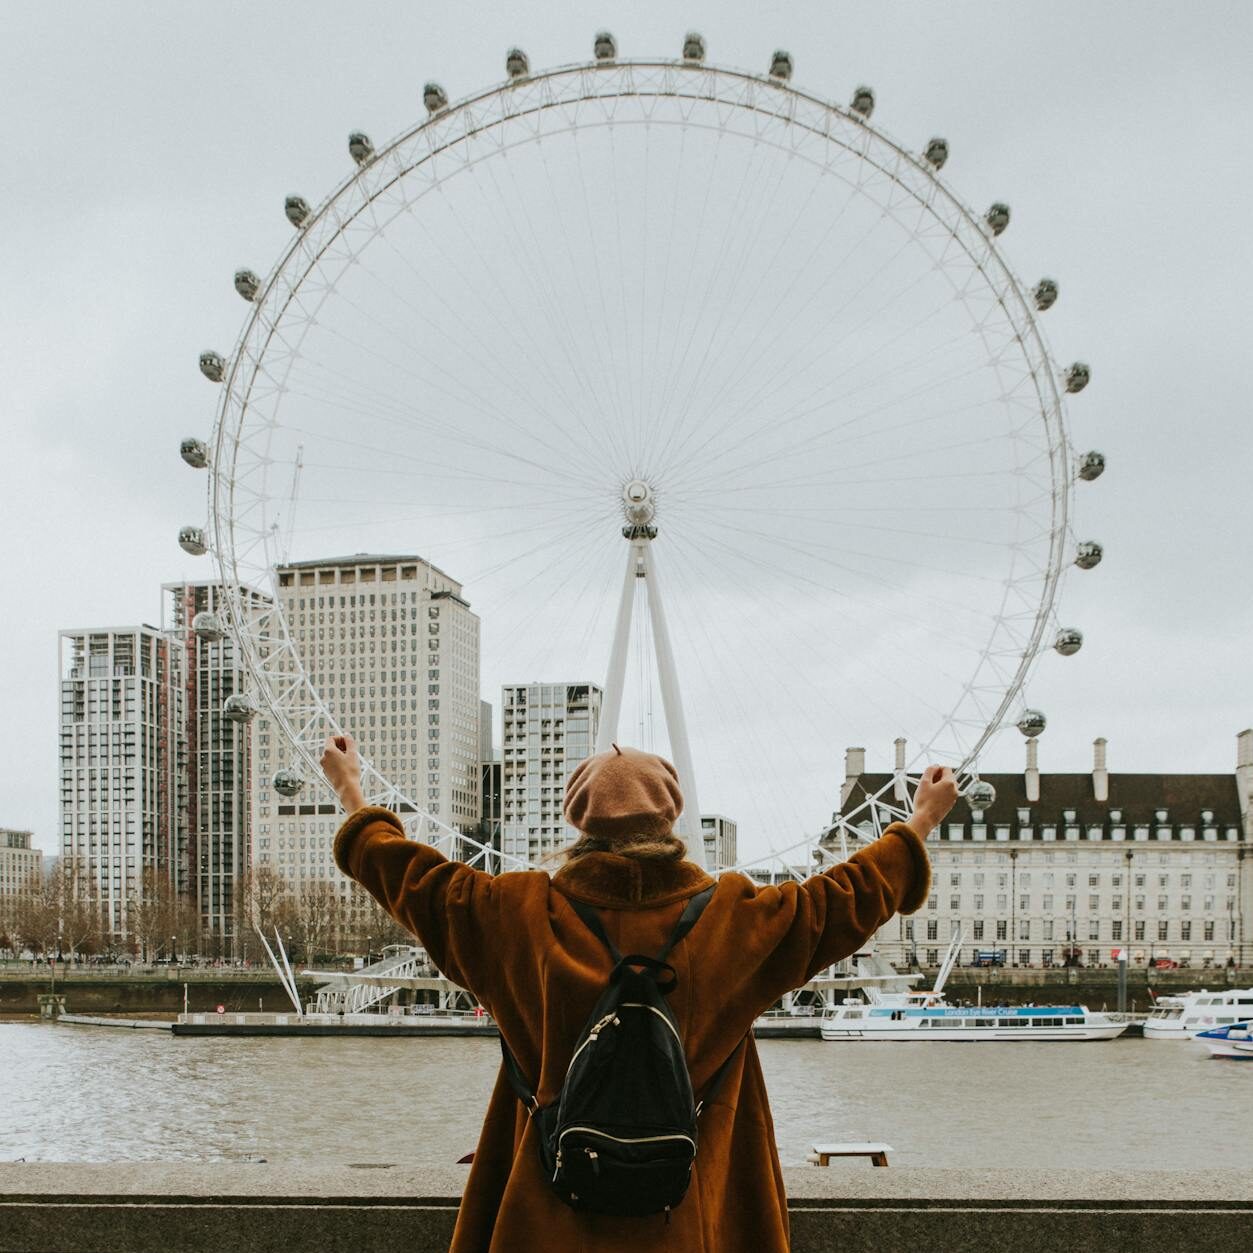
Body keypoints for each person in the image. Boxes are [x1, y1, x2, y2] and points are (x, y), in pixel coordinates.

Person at [322, 734, 955, 1252]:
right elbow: (846, 896)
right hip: (694, 1212)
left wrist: (352, 791)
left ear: (578, 821)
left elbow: (405, 873)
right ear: (671, 816)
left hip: (546, 1213)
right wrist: (919, 821)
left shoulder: (509, 912)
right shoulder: (737, 917)